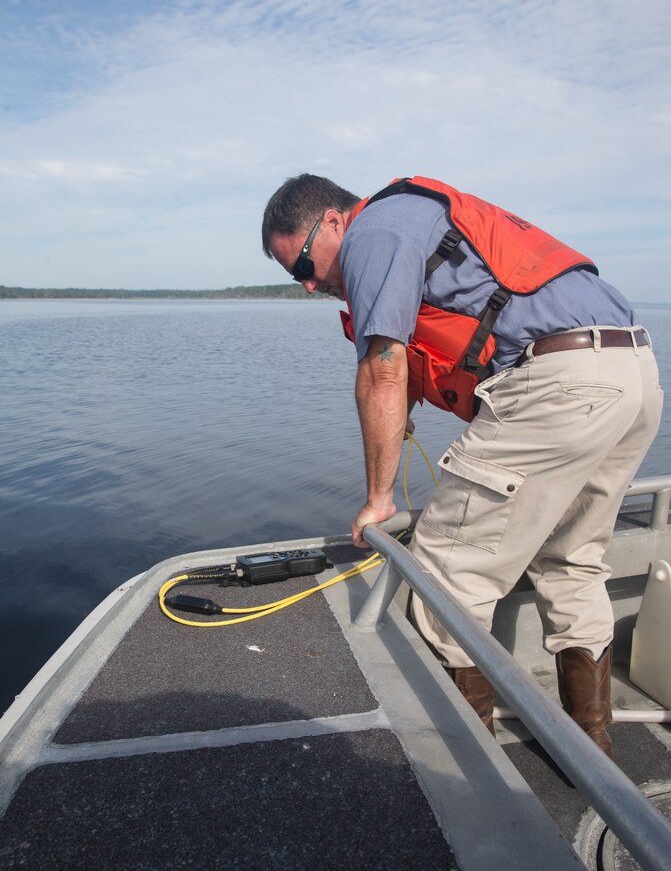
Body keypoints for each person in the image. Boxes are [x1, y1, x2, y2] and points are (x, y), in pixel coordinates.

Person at [261, 173, 663, 756]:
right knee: (572, 558)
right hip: (633, 372)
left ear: (332, 221)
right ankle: (590, 745)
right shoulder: (419, 219)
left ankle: (479, 771)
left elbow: (383, 368)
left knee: (445, 577)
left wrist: (379, 499)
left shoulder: (372, 230)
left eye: (302, 266)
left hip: (562, 383)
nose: (307, 285)